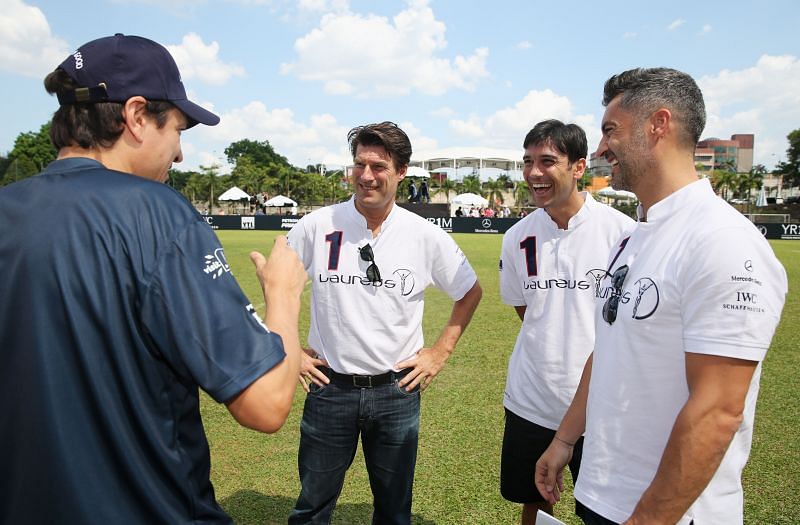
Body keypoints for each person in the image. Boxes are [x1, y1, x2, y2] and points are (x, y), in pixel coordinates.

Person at [0, 34, 307, 524]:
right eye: (179, 130)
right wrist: (284, 295)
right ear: (137, 116)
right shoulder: (160, 214)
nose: (181, 153)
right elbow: (266, 404)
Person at [535, 67, 788, 524]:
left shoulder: (722, 241)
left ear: (659, 125)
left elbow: (718, 411)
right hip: (603, 493)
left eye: (611, 130)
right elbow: (609, 350)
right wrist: (565, 440)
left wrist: (647, 519)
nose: (600, 149)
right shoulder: (636, 237)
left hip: (668, 513)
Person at [287, 121, 482, 525]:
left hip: (396, 391)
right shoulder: (317, 225)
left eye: (379, 166)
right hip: (330, 388)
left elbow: (469, 291)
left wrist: (439, 353)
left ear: (402, 172)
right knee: (312, 505)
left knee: (394, 510)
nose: (366, 176)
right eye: (360, 164)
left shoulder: (424, 235)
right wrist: (290, 346)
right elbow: (279, 284)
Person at [499, 120, 634, 525]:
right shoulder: (518, 237)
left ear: (578, 167)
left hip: (604, 405)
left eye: (547, 161)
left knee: (606, 511)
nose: (534, 173)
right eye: (527, 162)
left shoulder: (623, 233)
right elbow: (527, 311)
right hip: (532, 400)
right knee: (535, 501)